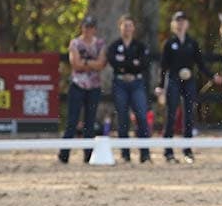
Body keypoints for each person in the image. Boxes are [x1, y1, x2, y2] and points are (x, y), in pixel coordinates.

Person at [155, 11, 222, 163]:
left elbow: (200, 63)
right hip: (173, 80)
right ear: (174, 24)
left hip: (188, 81)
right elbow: (163, 67)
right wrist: (160, 85)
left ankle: (187, 150)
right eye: (178, 21)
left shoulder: (192, 43)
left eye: (183, 21)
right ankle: (168, 151)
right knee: (171, 114)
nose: (180, 23)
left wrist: (212, 76)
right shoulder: (169, 43)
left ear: (187, 24)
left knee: (189, 115)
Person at [59, 15, 107, 164]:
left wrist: (85, 62)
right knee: (72, 121)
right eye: (86, 27)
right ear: (82, 28)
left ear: (95, 29)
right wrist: (91, 63)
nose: (88, 30)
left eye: (91, 27)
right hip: (77, 85)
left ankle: (88, 155)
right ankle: (64, 154)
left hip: (94, 87)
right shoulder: (75, 43)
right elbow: (76, 64)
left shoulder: (100, 43)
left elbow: (101, 64)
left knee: (90, 121)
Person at [107, 14, 152, 163]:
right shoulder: (114, 46)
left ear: (134, 28)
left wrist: (125, 65)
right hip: (120, 83)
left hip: (137, 83)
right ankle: (125, 154)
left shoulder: (140, 46)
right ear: (120, 27)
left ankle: (145, 154)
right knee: (122, 117)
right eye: (124, 25)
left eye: (130, 25)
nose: (127, 28)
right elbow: (113, 62)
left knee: (141, 116)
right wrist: (133, 63)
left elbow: (144, 64)